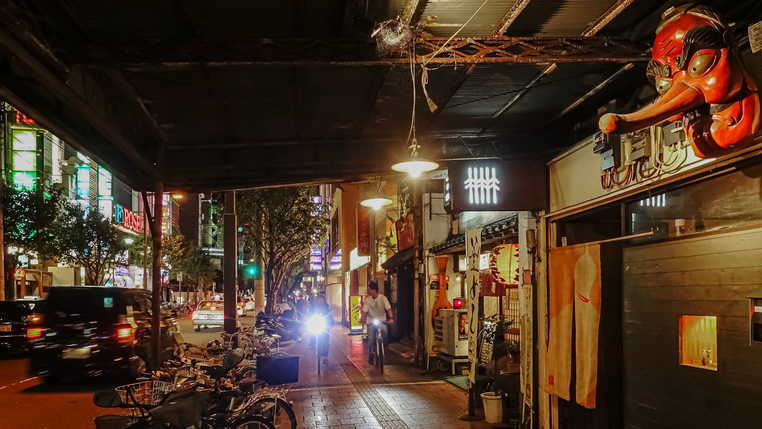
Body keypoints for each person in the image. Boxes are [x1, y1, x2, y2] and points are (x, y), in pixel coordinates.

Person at [360, 281, 394, 365]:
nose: (367, 291)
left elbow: (388, 309)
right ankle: (370, 356)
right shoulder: (368, 300)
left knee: (385, 332)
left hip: (381, 320)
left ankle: (384, 345)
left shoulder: (383, 298)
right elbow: (364, 311)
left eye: (369, 289)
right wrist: (363, 319)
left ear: (374, 290)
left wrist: (391, 318)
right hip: (371, 321)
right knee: (371, 340)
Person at [309, 293, 334, 365]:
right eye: (319, 298)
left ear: (324, 300)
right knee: (312, 332)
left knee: (325, 340)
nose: (320, 300)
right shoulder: (313, 307)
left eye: (322, 299)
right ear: (316, 299)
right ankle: (312, 342)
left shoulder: (326, 307)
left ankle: (325, 357)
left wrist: (331, 323)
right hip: (315, 323)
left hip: (324, 325)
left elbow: (329, 316)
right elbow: (309, 315)